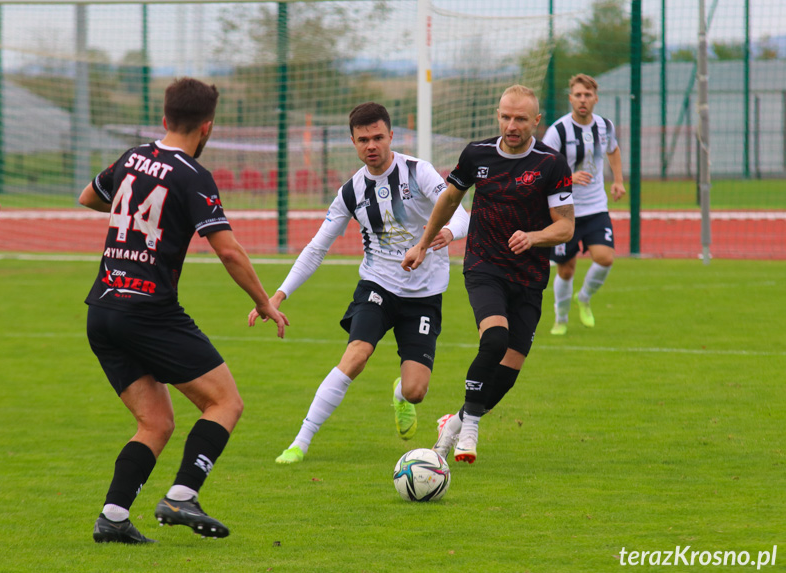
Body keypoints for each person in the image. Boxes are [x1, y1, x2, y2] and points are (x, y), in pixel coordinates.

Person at [79, 77, 288, 544]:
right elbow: (230, 252)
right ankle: (181, 494)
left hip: (102, 309)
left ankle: (112, 518)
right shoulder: (192, 175)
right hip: (148, 311)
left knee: (156, 422)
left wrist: (135, 222)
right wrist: (264, 302)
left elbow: (89, 197)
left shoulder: (132, 157)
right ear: (207, 126)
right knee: (225, 402)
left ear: (165, 117)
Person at [249, 102, 469, 464]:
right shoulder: (351, 192)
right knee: (356, 356)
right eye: (363, 139)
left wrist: (445, 232)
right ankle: (299, 443)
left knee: (416, 390)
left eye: (378, 137)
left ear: (391, 136)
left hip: (424, 294)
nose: (372, 146)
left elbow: (461, 213)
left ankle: (399, 396)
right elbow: (316, 248)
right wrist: (278, 294)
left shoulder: (418, 172)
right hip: (377, 286)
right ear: (353, 142)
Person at [402, 85, 574, 465]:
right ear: (497, 115)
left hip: (529, 277)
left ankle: (456, 419)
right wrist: (422, 242)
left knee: (508, 373)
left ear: (536, 121)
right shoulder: (477, 154)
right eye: (505, 117)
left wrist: (534, 236)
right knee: (495, 340)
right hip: (485, 265)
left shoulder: (551, 163)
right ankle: (470, 431)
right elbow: (449, 199)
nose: (511, 126)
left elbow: (565, 227)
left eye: (520, 119)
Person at [542, 73, 625, 335]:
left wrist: (618, 181)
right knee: (566, 270)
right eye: (578, 95)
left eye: (587, 95)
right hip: (565, 209)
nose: (583, 100)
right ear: (570, 98)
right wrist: (569, 177)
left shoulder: (604, 126)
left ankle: (585, 297)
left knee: (605, 258)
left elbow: (612, 150)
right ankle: (561, 318)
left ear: (595, 99)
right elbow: (543, 167)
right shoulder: (558, 130)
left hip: (596, 207)